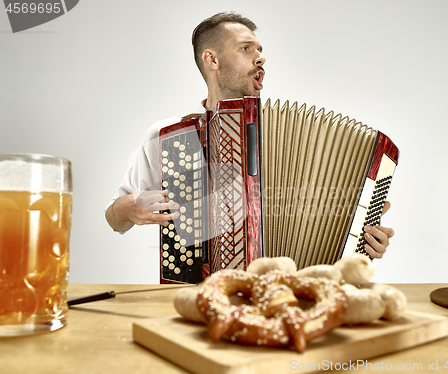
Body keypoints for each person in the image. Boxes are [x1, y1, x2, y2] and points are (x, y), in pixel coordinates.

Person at [105, 12, 394, 259]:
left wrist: (364, 238)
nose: (261, 57)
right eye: (247, 48)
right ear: (212, 60)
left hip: (295, 298)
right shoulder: (170, 138)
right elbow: (115, 219)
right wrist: (127, 207)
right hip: (205, 299)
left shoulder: (294, 140)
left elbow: (331, 224)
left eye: (260, 49)